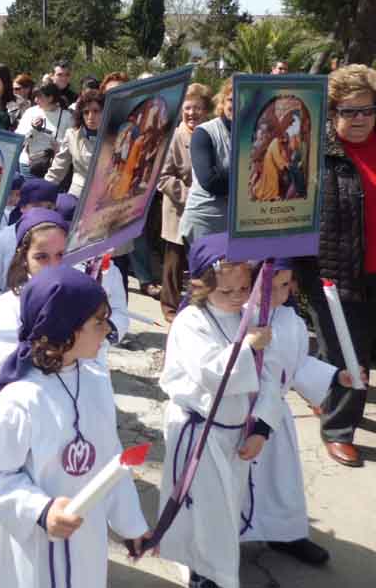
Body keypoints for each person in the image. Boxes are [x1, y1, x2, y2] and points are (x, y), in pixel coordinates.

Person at [0, 266, 149, 588]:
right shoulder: (21, 399)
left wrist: (131, 524)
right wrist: (41, 510)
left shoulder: (93, 382)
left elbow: (111, 460)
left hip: (83, 537)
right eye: (98, 322)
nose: (108, 330)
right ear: (66, 330)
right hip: (31, 543)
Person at [157, 234, 280, 588]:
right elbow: (211, 373)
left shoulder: (249, 316)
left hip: (235, 430)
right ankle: (205, 574)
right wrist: (247, 348)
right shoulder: (191, 321)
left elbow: (268, 378)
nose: (238, 297)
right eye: (226, 292)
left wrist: (261, 429)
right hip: (199, 431)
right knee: (205, 509)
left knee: (227, 505)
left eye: (244, 288)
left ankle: (215, 566)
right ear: (201, 286)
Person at [239, 261, 362, 565]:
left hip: (274, 418)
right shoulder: (236, 316)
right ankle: (222, 542)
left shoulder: (290, 319)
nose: (283, 293)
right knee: (235, 483)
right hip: (237, 414)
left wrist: (337, 376)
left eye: (286, 285)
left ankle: (284, 533)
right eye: (274, 286)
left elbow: (297, 364)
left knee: (280, 479)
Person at [299, 64, 376, 467]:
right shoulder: (317, 152)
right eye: (349, 111)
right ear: (332, 113)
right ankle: (339, 429)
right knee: (348, 353)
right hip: (335, 270)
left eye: (367, 109)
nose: (360, 118)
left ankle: (324, 396)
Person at [0, 207, 128, 375]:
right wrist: (66, 352)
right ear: (24, 258)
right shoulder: (9, 307)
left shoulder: (79, 297)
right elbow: (7, 365)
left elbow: (96, 358)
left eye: (60, 255)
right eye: (41, 257)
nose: (53, 265)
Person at [158, 83, 213, 322]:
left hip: (207, 213)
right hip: (179, 210)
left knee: (202, 262)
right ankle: (170, 309)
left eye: (198, 108)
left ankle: (198, 306)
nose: (192, 113)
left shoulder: (213, 134)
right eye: (188, 108)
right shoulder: (174, 136)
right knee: (174, 264)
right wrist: (189, 194)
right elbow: (162, 176)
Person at [0, 178, 60, 313]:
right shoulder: (5, 237)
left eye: (49, 207)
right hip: (9, 309)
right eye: (37, 206)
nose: (44, 212)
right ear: (22, 207)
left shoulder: (60, 238)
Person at [179, 79, 233, 242]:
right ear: (222, 102)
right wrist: (247, 179)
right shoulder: (204, 133)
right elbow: (209, 181)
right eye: (231, 99)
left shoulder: (254, 133)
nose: (237, 104)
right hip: (205, 221)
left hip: (236, 222)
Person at [45, 88, 104, 197]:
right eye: (86, 112)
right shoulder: (72, 134)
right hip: (78, 194)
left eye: (96, 111)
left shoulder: (113, 134)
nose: (91, 117)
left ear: (105, 111)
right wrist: (42, 190)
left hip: (104, 194)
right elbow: (58, 169)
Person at [15, 79, 72, 178]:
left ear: (50, 98)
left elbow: (72, 144)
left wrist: (59, 147)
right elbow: (18, 139)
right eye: (35, 96)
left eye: (39, 96)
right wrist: (33, 129)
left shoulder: (66, 116)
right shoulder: (30, 112)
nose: (35, 100)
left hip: (53, 168)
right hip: (28, 165)